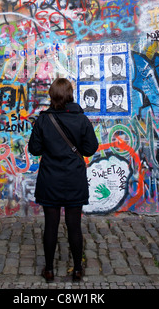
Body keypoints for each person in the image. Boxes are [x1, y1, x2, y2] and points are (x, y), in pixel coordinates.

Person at [28, 78, 98, 282]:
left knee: (51, 225)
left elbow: (34, 149)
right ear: (70, 95)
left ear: (51, 95)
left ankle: (49, 270)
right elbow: (90, 148)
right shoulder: (82, 119)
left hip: (50, 179)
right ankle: (77, 270)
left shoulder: (43, 120)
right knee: (74, 225)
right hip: (74, 179)